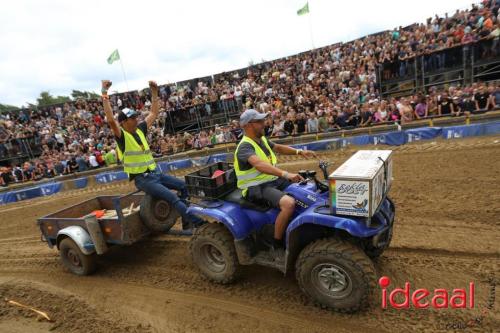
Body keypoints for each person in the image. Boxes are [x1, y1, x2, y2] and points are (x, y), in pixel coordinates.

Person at [101, 79, 204, 233]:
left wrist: (154, 92)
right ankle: (199, 224)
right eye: (132, 118)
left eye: (136, 117)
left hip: (155, 173)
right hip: (142, 179)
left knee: (184, 186)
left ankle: (187, 223)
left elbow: (154, 113)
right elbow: (110, 119)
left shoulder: (140, 129)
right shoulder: (121, 135)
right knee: (173, 198)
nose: (136, 119)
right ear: (123, 123)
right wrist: (104, 92)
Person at [234, 109, 317, 262]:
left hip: (271, 181)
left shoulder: (261, 140)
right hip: (256, 188)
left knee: (305, 188)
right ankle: (277, 245)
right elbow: (259, 164)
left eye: (263, 120)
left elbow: (278, 148)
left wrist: (299, 152)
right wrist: (286, 174)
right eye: (259, 122)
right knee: (289, 204)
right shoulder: (244, 147)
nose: (263, 124)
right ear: (248, 125)